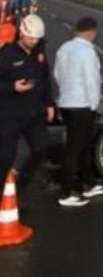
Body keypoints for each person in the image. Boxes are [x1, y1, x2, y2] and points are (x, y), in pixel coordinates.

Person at [53, 16, 103, 207]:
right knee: (76, 149)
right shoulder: (87, 52)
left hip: (66, 102)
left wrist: (66, 90)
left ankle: (89, 183)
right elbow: (91, 79)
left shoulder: (64, 48)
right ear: (91, 32)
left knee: (81, 146)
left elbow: (57, 74)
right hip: (82, 105)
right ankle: (68, 191)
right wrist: (94, 105)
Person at [0, 14, 55, 194]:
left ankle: (22, 184)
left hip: (33, 113)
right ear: (22, 34)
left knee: (41, 148)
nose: (33, 42)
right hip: (10, 115)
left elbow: (45, 78)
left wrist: (49, 103)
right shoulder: (6, 54)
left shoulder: (39, 53)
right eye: (30, 38)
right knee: (5, 159)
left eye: (37, 39)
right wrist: (12, 87)